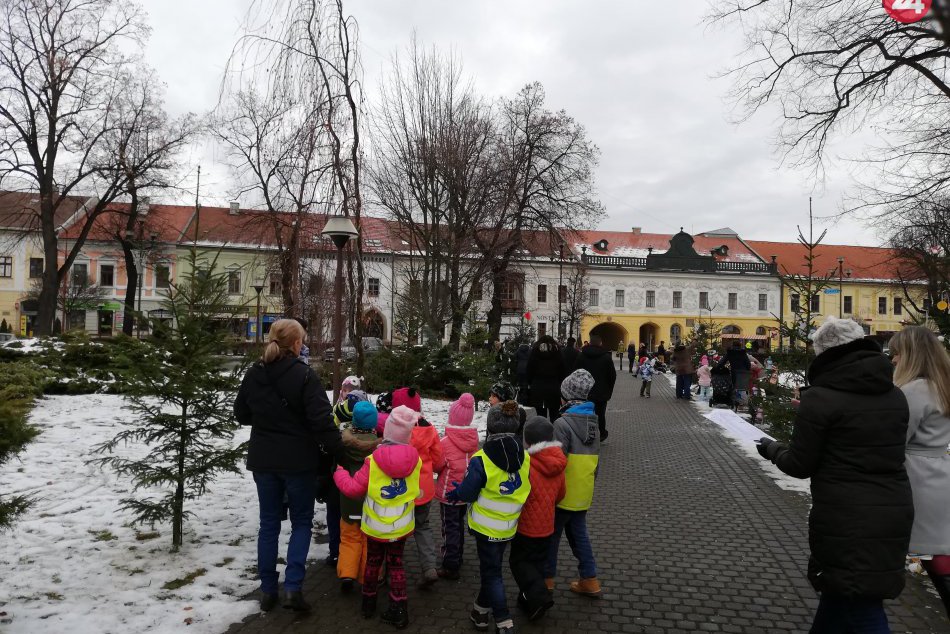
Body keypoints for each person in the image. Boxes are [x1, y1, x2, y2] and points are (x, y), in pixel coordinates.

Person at [755, 316, 914, 632]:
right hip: (892, 506)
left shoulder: (820, 398)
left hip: (846, 513)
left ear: (825, 353)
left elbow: (799, 464)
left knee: (860, 606)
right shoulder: (894, 395)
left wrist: (773, 449)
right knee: (842, 594)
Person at [234, 318, 340, 612]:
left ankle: (268, 591)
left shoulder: (255, 373)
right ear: (296, 343)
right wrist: (339, 451)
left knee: (268, 524)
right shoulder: (305, 376)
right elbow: (322, 421)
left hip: (264, 460)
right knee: (301, 522)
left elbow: (241, 414)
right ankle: (293, 588)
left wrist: (268, 420)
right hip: (298, 462)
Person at [335, 405, 422, 629]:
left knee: (373, 562)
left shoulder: (372, 461)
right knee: (396, 564)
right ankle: (399, 609)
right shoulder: (416, 460)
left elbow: (353, 489)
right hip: (401, 526)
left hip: (375, 525)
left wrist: (340, 473)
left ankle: (368, 603)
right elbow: (417, 490)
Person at [447, 401, 530, 634]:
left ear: (490, 426)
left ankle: (503, 622)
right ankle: (480, 613)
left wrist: (458, 492)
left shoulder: (481, 459)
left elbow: (469, 492)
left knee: (492, 574)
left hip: (485, 528)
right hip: (509, 526)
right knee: (491, 570)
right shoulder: (525, 457)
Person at [890, 326, 950, 619]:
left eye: (897, 353)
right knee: (938, 552)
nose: (893, 359)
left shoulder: (913, 391)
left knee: (931, 554)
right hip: (938, 473)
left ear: (911, 355)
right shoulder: (942, 386)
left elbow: (895, 439)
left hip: (916, 478)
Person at [546, 369, 602, 597]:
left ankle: (546, 581)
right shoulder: (593, 423)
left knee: (551, 537)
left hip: (562, 493)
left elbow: (556, 463)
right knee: (579, 536)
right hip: (583, 491)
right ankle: (590, 579)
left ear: (566, 397)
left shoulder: (561, 424)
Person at [510, 416, 566, 621]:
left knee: (519, 562)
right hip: (547, 526)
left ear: (527, 440)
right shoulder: (559, 462)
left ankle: (539, 597)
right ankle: (528, 601)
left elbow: (520, 495)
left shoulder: (526, 464)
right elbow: (561, 494)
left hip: (526, 527)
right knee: (538, 564)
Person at [336, 401, 381, 592]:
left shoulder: (343, 444)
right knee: (369, 541)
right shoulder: (379, 447)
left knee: (349, 538)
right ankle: (367, 576)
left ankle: (347, 573)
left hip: (348, 502)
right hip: (371, 503)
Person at [434, 393, 479, 580]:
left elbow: (437, 465)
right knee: (458, 525)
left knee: (449, 528)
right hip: (465, 492)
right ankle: (457, 555)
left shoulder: (445, 443)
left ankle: (450, 564)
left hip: (449, 493)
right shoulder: (474, 441)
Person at [409, 397, 445, 589]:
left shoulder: (396, 426)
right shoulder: (429, 428)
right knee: (422, 526)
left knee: (396, 528)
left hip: (402, 488)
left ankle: (390, 570)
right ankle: (429, 567)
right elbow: (438, 458)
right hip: (424, 488)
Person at [573, 334, 617, 443]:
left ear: (590, 343)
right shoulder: (606, 357)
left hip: (584, 391)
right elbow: (612, 376)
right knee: (600, 414)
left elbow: (575, 373)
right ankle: (601, 433)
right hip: (601, 392)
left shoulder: (581, 356)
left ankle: (585, 434)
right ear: (600, 343)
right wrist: (609, 391)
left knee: (584, 413)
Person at [526, 335, 566, 420]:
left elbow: (529, 369)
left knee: (541, 415)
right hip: (554, 386)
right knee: (554, 414)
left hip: (538, 386)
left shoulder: (535, 351)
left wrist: (530, 382)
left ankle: (542, 428)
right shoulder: (557, 352)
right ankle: (554, 428)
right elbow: (562, 370)